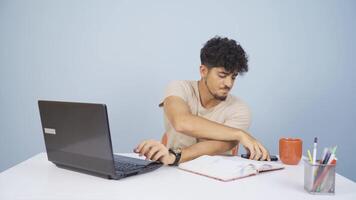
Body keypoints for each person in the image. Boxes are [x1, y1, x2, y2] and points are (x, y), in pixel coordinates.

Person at [134, 36, 270, 165]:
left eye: (233, 77)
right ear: (203, 71)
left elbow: (219, 145)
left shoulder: (240, 109)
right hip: (174, 171)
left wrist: (175, 156)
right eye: (222, 75)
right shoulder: (179, 88)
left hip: (218, 176)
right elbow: (181, 122)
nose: (229, 83)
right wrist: (239, 134)